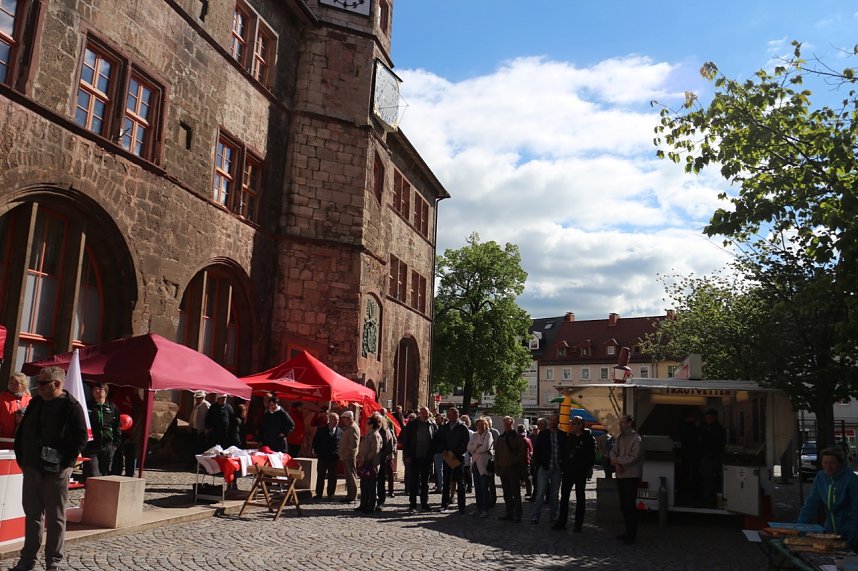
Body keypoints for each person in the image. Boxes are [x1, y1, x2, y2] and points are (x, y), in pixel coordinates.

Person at [12, 366, 88, 571]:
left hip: (56, 470)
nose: (38, 386)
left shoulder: (71, 406)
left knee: (55, 517)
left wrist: (65, 463)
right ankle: (27, 559)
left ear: (57, 384)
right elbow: (23, 431)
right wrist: (23, 458)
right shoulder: (36, 402)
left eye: (43, 383)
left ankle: (53, 562)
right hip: (32, 467)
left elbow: (81, 438)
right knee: (32, 515)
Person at [798, 446, 858, 550]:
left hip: (849, 532)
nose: (828, 467)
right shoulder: (820, 478)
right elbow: (810, 504)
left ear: (840, 463)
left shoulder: (851, 480)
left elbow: (856, 509)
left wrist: (853, 536)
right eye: (825, 463)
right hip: (829, 532)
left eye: (832, 463)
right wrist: (800, 527)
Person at [554, 415, 596, 532]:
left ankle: (578, 525)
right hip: (568, 472)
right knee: (564, 497)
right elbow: (564, 453)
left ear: (580, 425)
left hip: (580, 472)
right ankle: (562, 522)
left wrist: (586, 469)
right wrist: (564, 465)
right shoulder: (570, 437)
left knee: (580, 498)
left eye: (573, 423)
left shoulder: (588, 439)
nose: (571, 425)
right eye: (571, 423)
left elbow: (591, 457)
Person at [610, 414, 643, 545]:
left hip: (631, 476)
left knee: (630, 505)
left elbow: (634, 457)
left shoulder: (636, 438)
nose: (620, 425)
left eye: (623, 422)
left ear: (629, 423)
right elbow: (613, 451)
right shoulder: (620, 437)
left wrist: (617, 461)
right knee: (623, 505)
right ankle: (627, 531)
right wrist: (616, 463)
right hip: (620, 475)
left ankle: (632, 534)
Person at [82, 382, 121, 481]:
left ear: (106, 392)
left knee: (104, 474)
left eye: (100, 389)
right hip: (90, 446)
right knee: (92, 474)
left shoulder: (112, 408)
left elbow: (117, 426)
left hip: (107, 446)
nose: (97, 391)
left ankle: (101, 491)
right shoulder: (87, 406)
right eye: (95, 389)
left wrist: (115, 445)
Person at [401, 406, 437, 511]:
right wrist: (407, 455)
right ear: (419, 413)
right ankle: (412, 504)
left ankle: (424, 504)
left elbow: (435, 440)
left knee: (425, 483)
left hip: (426, 458)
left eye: (426, 413)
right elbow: (406, 441)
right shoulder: (412, 425)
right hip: (414, 457)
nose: (425, 415)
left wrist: (433, 454)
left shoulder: (432, 425)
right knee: (413, 481)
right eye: (423, 413)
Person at [531, 414, 565, 524]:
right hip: (544, 467)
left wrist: (562, 463)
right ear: (549, 421)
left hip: (557, 468)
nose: (553, 422)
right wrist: (539, 464)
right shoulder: (543, 434)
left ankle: (553, 516)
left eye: (555, 420)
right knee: (540, 493)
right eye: (551, 420)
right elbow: (537, 450)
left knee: (554, 494)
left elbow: (565, 451)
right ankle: (535, 516)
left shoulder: (562, 435)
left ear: (558, 422)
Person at [437, 407, 470, 513]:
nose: (452, 416)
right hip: (447, 457)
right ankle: (444, 504)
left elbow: (465, 443)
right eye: (450, 414)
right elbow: (440, 441)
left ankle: (461, 507)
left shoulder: (462, 428)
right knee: (446, 482)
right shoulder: (444, 428)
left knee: (460, 482)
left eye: (455, 414)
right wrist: (444, 450)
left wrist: (455, 453)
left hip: (458, 458)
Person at [495, 416, 527, 522]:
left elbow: (522, 453)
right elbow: (497, 453)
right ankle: (509, 512)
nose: (507, 425)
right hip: (503, 468)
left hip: (513, 468)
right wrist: (497, 467)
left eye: (508, 423)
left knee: (515, 492)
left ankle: (518, 514)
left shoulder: (517, 437)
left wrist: (512, 461)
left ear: (512, 423)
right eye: (505, 423)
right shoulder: (501, 438)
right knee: (506, 492)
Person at [355, 415, 382, 515]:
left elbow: (374, 451)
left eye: (367, 423)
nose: (365, 425)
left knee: (371, 486)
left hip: (371, 464)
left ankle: (371, 506)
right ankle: (363, 504)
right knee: (364, 485)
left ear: (371, 425)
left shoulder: (375, 435)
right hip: (364, 463)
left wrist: (365, 458)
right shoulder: (368, 435)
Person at [699, 408, 726, 508]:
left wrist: (710, 453)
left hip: (711, 457)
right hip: (708, 456)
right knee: (708, 479)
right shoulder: (708, 427)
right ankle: (710, 500)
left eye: (710, 416)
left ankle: (709, 501)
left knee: (709, 479)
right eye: (707, 416)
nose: (708, 418)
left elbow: (718, 444)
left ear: (715, 417)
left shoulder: (717, 429)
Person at [467, 417, 494, 517]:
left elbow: (486, 447)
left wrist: (476, 450)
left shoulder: (488, 434)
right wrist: (477, 446)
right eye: (479, 425)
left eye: (483, 425)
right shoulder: (474, 435)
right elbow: (469, 447)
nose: (481, 427)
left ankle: (485, 509)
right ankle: (479, 508)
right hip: (475, 463)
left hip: (483, 464)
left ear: (486, 425)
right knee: (477, 488)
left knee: (484, 488)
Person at [311, 412, 341, 500]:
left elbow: (341, 444)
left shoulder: (340, 431)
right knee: (321, 475)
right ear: (329, 420)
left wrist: (339, 454)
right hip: (323, 456)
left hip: (334, 457)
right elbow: (316, 442)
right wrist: (316, 451)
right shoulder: (322, 430)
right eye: (334, 419)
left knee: (332, 476)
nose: (336, 421)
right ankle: (319, 493)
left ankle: (331, 494)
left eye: (338, 420)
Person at [0, 372, 32, 449]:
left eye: (16, 383)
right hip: (3, 438)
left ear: (23, 385)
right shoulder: (2, 398)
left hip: (21, 438)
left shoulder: (29, 400)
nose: (12, 385)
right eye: (11, 383)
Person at [338, 410, 360, 503]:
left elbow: (353, 444)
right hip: (346, 455)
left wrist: (348, 453)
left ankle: (353, 496)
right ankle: (349, 495)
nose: (343, 420)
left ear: (349, 418)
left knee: (351, 476)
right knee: (348, 476)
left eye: (344, 418)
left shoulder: (353, 428)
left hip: (349, 456)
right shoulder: (349, 427)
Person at [374, 410, 396, 510]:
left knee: (381, 480)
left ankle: (380, 501)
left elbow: (389, 446)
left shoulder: (385, 431)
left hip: (381, 459)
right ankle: (370, 500)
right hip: (372, 459)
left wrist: (382, 456)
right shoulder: (373, 430)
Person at [188, 391, 210, 457]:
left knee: (199, 447)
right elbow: (192, 416)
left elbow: (209, 418)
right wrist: (190, 426)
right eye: (196, 398)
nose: (197, 399)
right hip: (194, 428)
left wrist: (206, 428)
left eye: (198, 398)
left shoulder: (206, 405)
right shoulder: (196, 405)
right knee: (193, 446)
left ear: (202, 398)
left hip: (201, 430)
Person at [517, 424, 534, 498]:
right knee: (527, 478)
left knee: (519, 478)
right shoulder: (527, 439)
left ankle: (518, 492)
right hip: (525, 461)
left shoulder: (515, 439)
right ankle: (529, 492)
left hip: (518, 461)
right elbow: (531, 450)